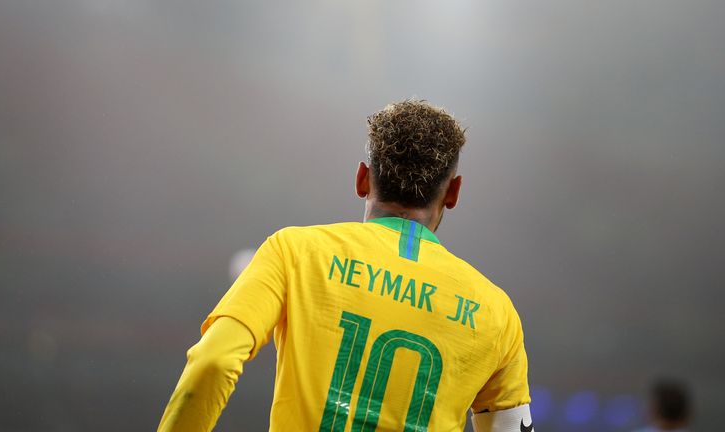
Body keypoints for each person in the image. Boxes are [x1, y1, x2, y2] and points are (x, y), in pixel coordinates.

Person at [157, 100, 533, 431]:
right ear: (453, 192)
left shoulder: (295, 251)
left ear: (362, 178)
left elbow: (213, 363)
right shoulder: (496, 312)